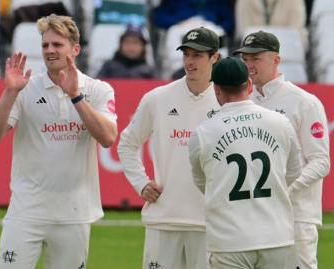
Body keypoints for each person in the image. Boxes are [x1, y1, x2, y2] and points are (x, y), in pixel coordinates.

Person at [0, 14, 118, 269]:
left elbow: (108, 138)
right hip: (27, 211)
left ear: (75, 49)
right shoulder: (26, 88)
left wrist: (75, 96)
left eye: (57, 45)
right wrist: (10, 93)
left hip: (74, 214)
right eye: (45, 45)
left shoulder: (98, 89)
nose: (50, 51)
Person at [117, 27, 221, 269]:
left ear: (215, 57)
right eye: (186, 54)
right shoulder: (157, 98)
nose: (189, 61)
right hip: (164, 219)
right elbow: (127, 143)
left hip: (210, 222)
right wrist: (141, 182)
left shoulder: (227, 100)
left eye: (197, 55)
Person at [188, 56, 302, 268]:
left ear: (217, 90)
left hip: (230, 240)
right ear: (249, 85)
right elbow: (294, 173)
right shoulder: (281, 123)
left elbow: (203, 183)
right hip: (277, 237)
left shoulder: (203, 133)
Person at [234, 30, 330, 269]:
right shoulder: (245, 102)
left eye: (256, 58)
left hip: (296, 217)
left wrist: (284, 189)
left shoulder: (304, 102)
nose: (248, 65)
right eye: (245, 59)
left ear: (276, 60)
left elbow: (320, 161)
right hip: (255, 217)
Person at [235, 0, 308, 48]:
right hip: (254, 56)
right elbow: (244, 35)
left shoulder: (295, 2)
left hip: (286, 55)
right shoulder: (244, 2)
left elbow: (295, 36)